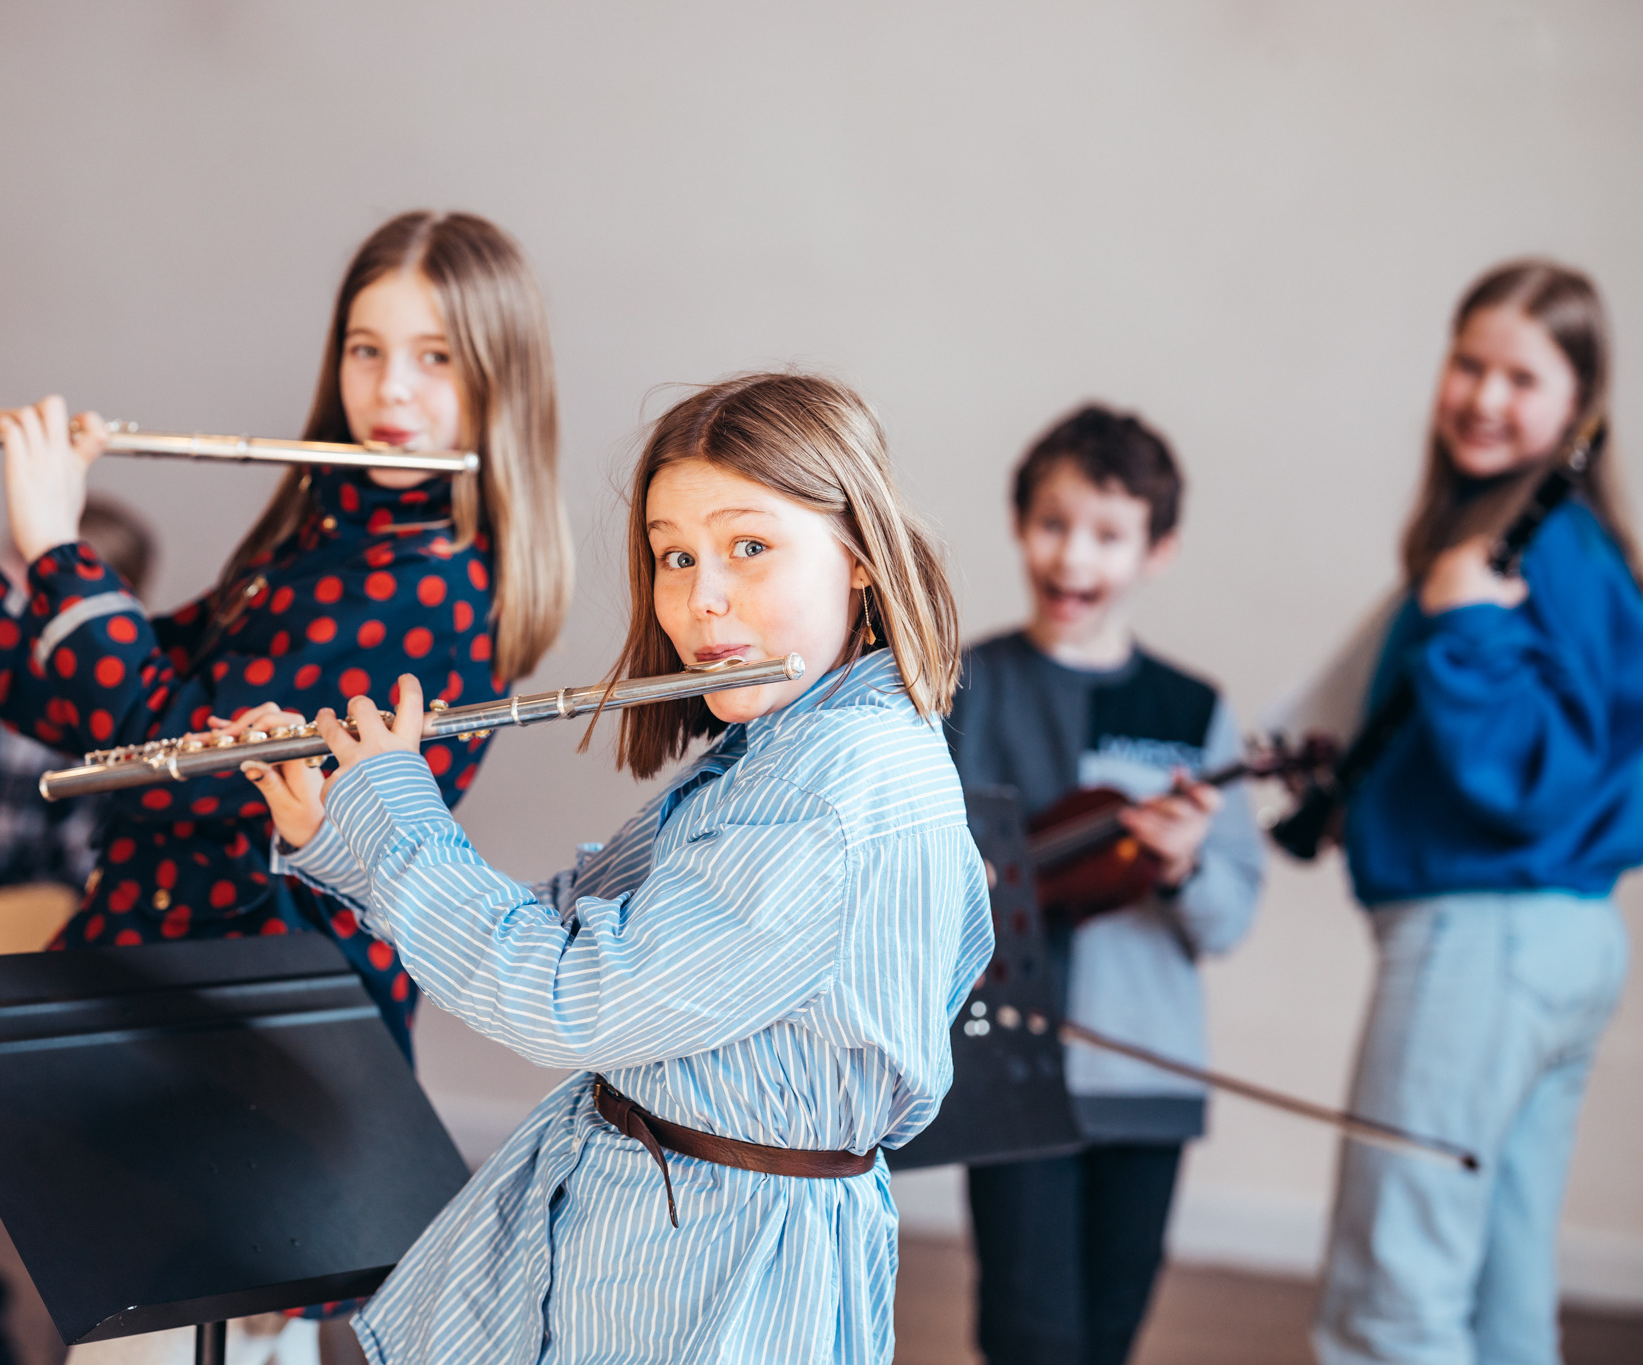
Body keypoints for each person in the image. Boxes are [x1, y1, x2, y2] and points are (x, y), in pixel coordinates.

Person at [238, 370, 994, 1364]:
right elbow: (563, 924)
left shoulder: (834, 785)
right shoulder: (788, 745)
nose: (701, 598)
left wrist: (396, 814)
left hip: (712, 1273)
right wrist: (348, 825)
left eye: (748, 547)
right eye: (673, 557)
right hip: (661, 1235)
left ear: (857, 553)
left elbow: (560, 998)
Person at [0, 210, 572, 1065]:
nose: (391, 390)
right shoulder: (321, 540)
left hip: (260, 1034)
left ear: (500, 378)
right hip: (160, 979)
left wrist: (56, 547)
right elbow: (98, 705)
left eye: (436, 356)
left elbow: (171, 767)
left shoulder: (433, 585)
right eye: (365, 348)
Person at [1312, 261, 1641, 1365]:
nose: (1482, 398)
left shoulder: (1510, 558)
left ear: (1578, 404)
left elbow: (1524, 781)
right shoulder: (1574, 551)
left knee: (1391, 1293)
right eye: (1467, 363)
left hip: (1479, 940)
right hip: (1564, 935)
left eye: (1519, 376)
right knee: (1503, 1284)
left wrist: (1462, 627)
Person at [944, 405, 1264, 1365]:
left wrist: (1184, 865)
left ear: (1156, 550)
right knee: (1030, 1334)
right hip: (1013, 1070)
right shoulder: (964, 684)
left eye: (1109, 534)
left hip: (1146, 1071)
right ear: (1018, 522)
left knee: (1108, 1335)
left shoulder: (1190, 709)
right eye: (1053, 522)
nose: (1073, 555)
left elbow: (1231, 915)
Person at [0, 494, 157, 892]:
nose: (6, 588)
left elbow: (90, 862)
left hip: (79, 911)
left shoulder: (132, 698)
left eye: (30, 574)